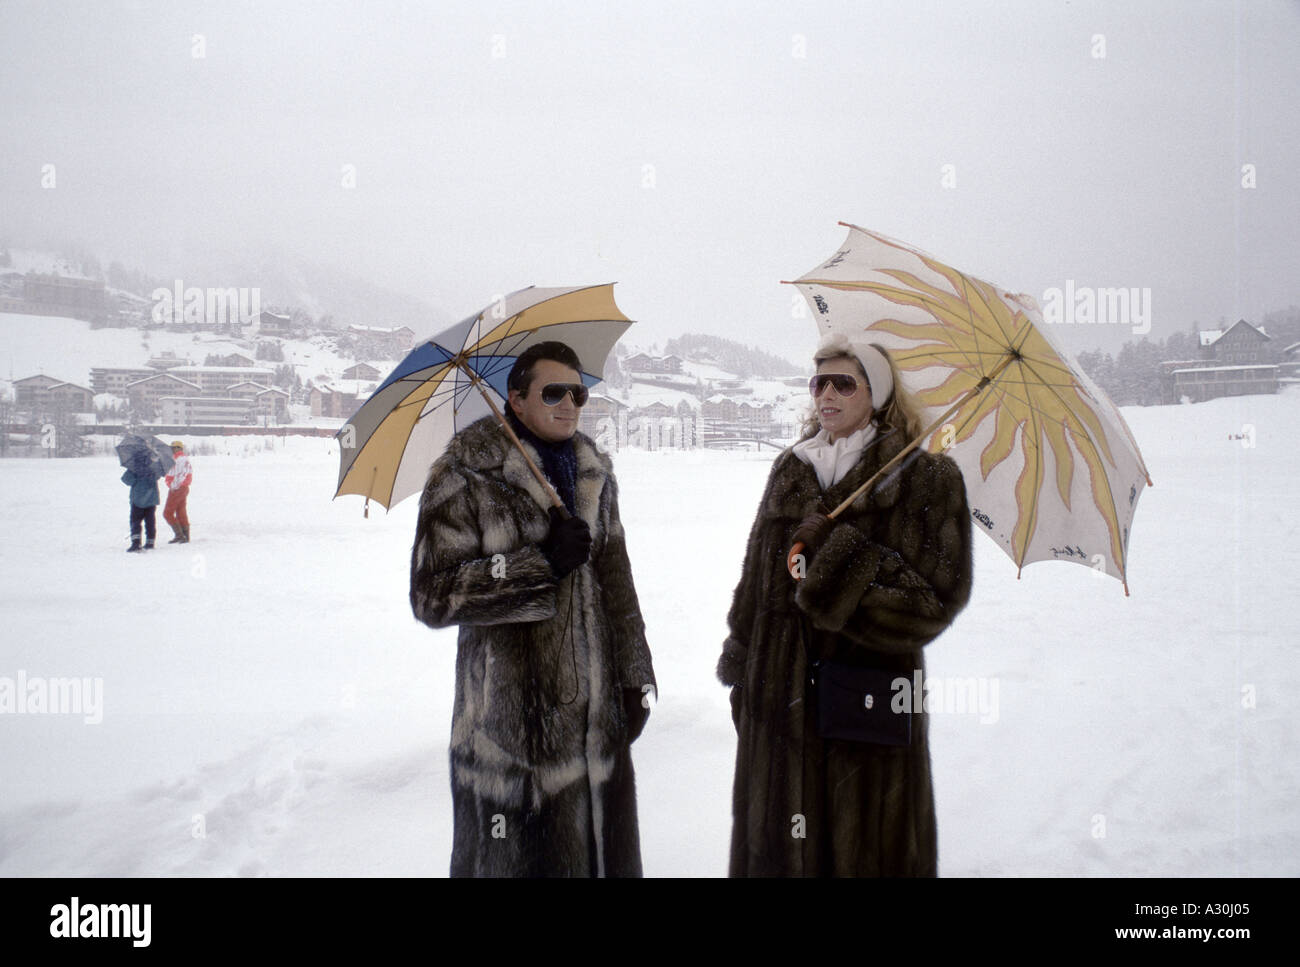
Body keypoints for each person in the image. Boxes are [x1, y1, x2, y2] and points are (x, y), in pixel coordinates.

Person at [717, 332, 973, 876]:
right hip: (776, 703)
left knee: (863, 853)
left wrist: (837, 560)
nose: (825, 394)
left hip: (867, 705)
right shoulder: (791, 468)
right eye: (818, 382)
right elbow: (754, 583)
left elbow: (934, 603)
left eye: (843, 383)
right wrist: (741, 669)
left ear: (875, 395)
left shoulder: (927, 479)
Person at [409, 341, 657, 877]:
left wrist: (637, 676)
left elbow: (618, 584)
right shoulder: (464, 473)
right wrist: (537, 564)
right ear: (516, 400)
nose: (569, 403)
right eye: (553, 392)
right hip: (507, 736)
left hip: (594, 728)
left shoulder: (594, 473)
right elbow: (431, 595)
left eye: (579, 392)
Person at [121, 448, 164, 552]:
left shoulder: (134, 467)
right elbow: (158, 476)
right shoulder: (154, 467)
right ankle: (150, 542)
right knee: (150, 521)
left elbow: (126, 479)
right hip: (151, 498)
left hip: (138, 498)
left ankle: (136, 543)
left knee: (135, 521)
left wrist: (136, 479)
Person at [163, 440, 193, 543]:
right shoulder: (181, 459)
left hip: (177, 489)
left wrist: (173, 486)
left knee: (167, 513)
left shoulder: (179, 460)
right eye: (171, 448)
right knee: (181, 512)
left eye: (173, 448)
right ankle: (185, 536)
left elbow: (180, 476)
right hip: (182, 488)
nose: (172, 450)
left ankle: (180, 535)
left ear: (179, 448)